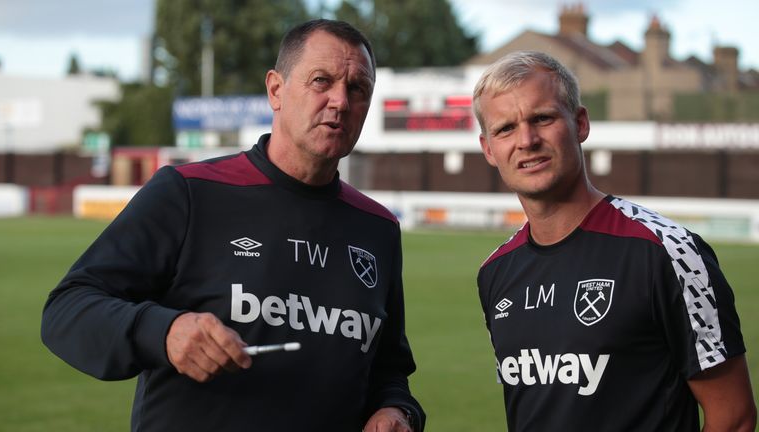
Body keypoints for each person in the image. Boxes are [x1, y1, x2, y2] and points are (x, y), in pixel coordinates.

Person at [42, 19, 425, 432]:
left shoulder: (378, 228)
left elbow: (388, 370)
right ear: (276, 90)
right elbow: (67, 310)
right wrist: (164, 330)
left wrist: (397, 412)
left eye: (357, 89)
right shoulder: (189, 192)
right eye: (321, 81)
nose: (340, 101)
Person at [473, 50, 756, 431]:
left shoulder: (667, 252)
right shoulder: (495, 272)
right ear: (489, 149)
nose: (526, 139)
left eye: (542, 118)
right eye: (505, 128)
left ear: (580, 123)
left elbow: (734, 417)